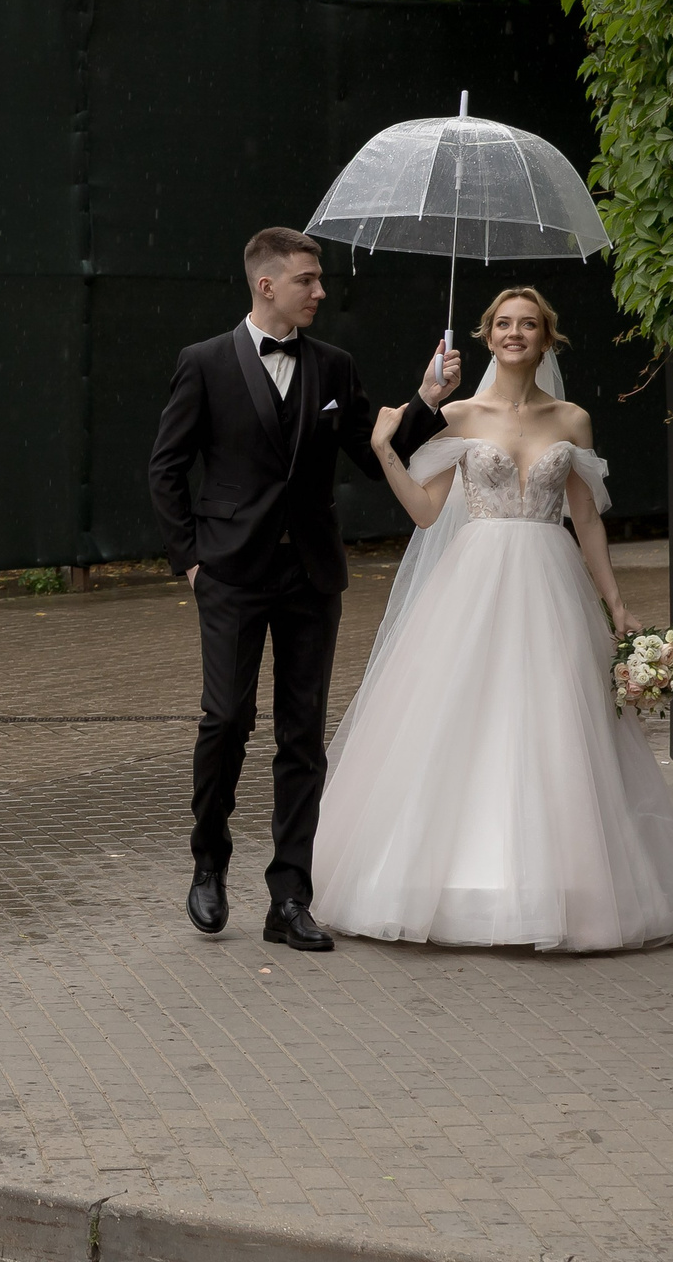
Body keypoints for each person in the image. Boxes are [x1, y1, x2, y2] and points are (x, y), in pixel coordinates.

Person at [315, 286, 673, 952]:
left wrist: (615, 602)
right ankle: (446, 882)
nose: (514, 334)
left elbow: (586, 519)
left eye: (527, 325)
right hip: (474, 580)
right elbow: (423, 511)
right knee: (463, 719)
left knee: (556, 724)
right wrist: (387, 448)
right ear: (485, 335)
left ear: (547, 338)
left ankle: (566, 884)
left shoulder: (573, 419)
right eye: (503, 324)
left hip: (550, 580)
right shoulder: (460, 415)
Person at [147, 225, 457, 952]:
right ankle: (208, 862)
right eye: (307, 281)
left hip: (311, 576)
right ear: (267, 285)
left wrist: (427, 398)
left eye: (319, 281)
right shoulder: (204, 364)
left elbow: (376, 447)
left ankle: (289, 898)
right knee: (225, 719)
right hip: (229, 571)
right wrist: (190, 559)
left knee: (303, 737)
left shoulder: (335, 367)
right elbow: (166, 468)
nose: (320, 291)